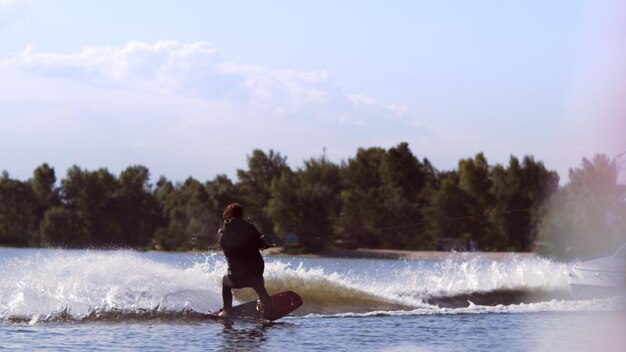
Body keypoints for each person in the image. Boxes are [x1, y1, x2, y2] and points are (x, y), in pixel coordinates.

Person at [218, 203, 276, 317]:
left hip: (237, 277)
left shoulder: (222, 232)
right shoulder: (250, 228)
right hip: (256, 275)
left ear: (227, 214)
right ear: (241, 214)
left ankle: (227, 310)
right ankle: (269, 306)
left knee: (225, 281)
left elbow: (228, 246)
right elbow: (260, 244)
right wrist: (264, 245)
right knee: (258, 285)